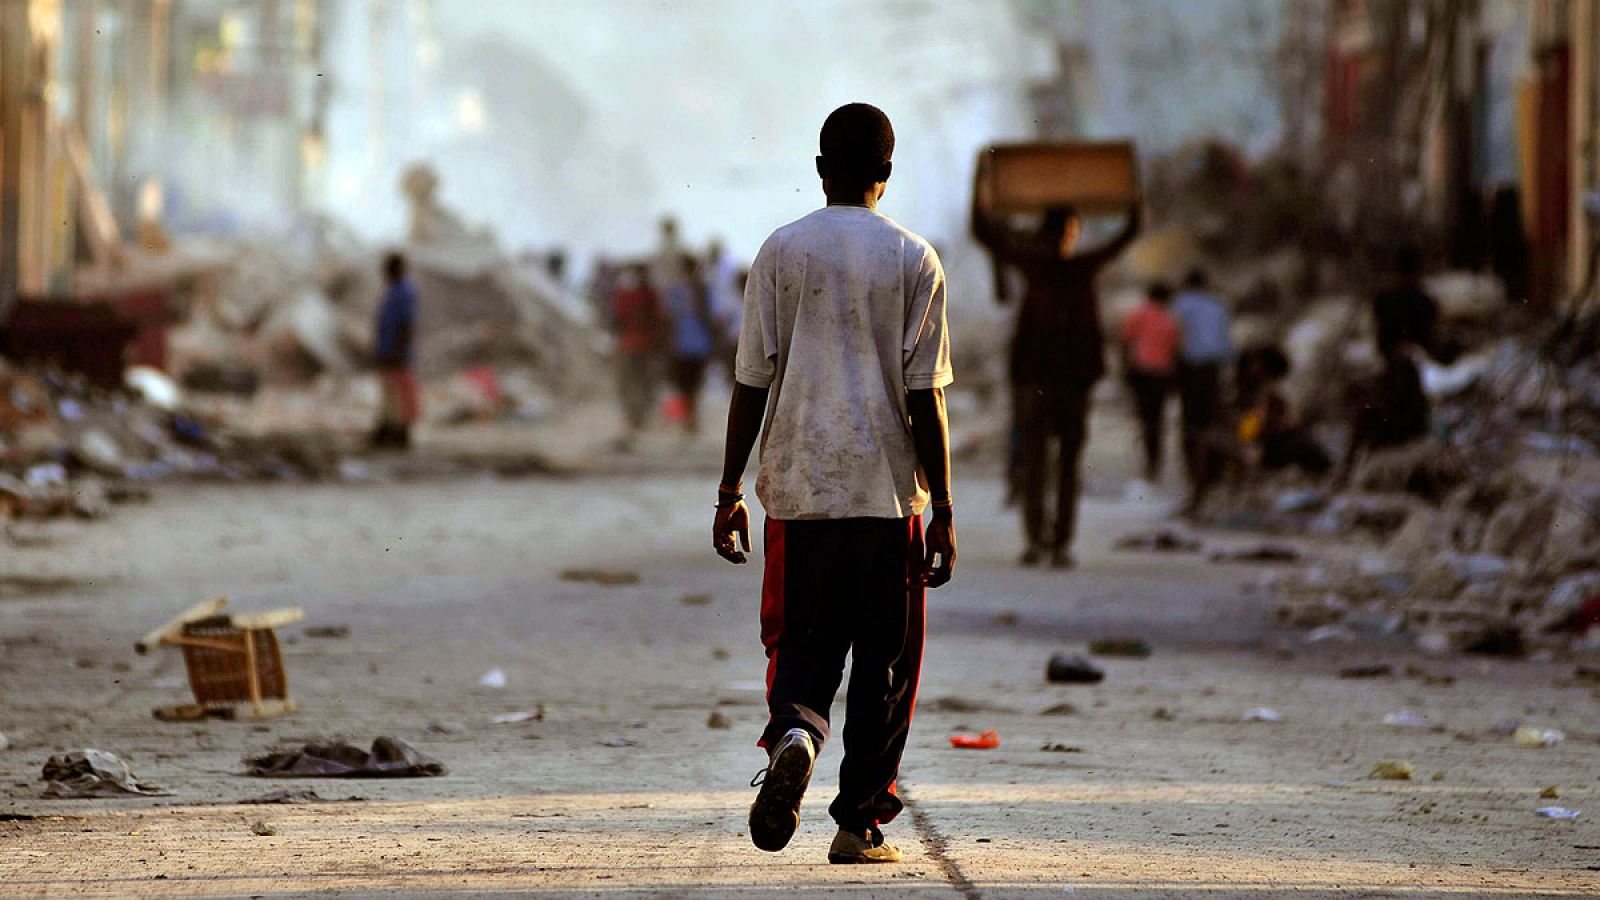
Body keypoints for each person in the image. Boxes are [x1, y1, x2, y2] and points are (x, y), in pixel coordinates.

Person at [712, 102, 955, 866]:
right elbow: (926, 396)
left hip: (798, 487)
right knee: (887, 665)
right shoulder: (916, 259)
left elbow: (751, 382)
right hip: (887, 500)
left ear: (819, 171)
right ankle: (859, 824)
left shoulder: (780, 253)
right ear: (887, 173)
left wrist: (729, 493)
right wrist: (943, 505)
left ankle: (795, 733)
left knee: (802, 648)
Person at [973, 194, 1140, 568]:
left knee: (1051, 466)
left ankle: (1049, 542)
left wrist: (1133, 196)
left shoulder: (1056, 267)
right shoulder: (1059, 267)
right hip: (1052, 382)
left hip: (1055, 382)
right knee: (1051, 465)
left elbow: (1128, 233)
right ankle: (1048, 541)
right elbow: (984, 233)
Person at [1171, 268, 1233, 504]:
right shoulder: (1218, 305)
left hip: (1190, 366)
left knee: (1190, 418)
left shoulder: (1182, 304)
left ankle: (1193, 467)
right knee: (1210, 417)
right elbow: (1225, 339)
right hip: (1213, 368)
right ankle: (1208, 469)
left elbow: (1176, 336)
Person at [1120, 281, 1179, 482]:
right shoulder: (1169, 318)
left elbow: (1127, 341)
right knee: (1157, 417)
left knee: (1145, 417)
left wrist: (1125, 371)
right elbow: (1174, 348)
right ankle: (1155, 460)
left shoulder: (1137, 314)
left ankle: (1148, 459)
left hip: (1142, 372)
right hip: (1161, 374)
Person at [370, 252, 420, 450]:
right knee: (389, 392)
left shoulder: (404, 292)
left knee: (398, 392)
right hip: (387, 351)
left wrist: (398, 351)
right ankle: (388, 428)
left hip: (396, 353)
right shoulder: (393, 291)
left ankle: (399, 431)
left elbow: (406, 324)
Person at [611, 263, 663, 445]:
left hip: (638, 344)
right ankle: (635, 417)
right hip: (635, 344)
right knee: (635, 383)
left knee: (638, 383)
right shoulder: (639, 296)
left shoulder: (643, 296)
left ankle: (637, 417)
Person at [664, 253, 716, 432]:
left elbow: (710, 316)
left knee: (693, 384)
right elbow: (670, 317)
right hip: (686, 344)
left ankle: (691, 418)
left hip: (696, 343)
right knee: (686, 384)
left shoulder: (701, 290)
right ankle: (689, 419)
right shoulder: (679, 291)